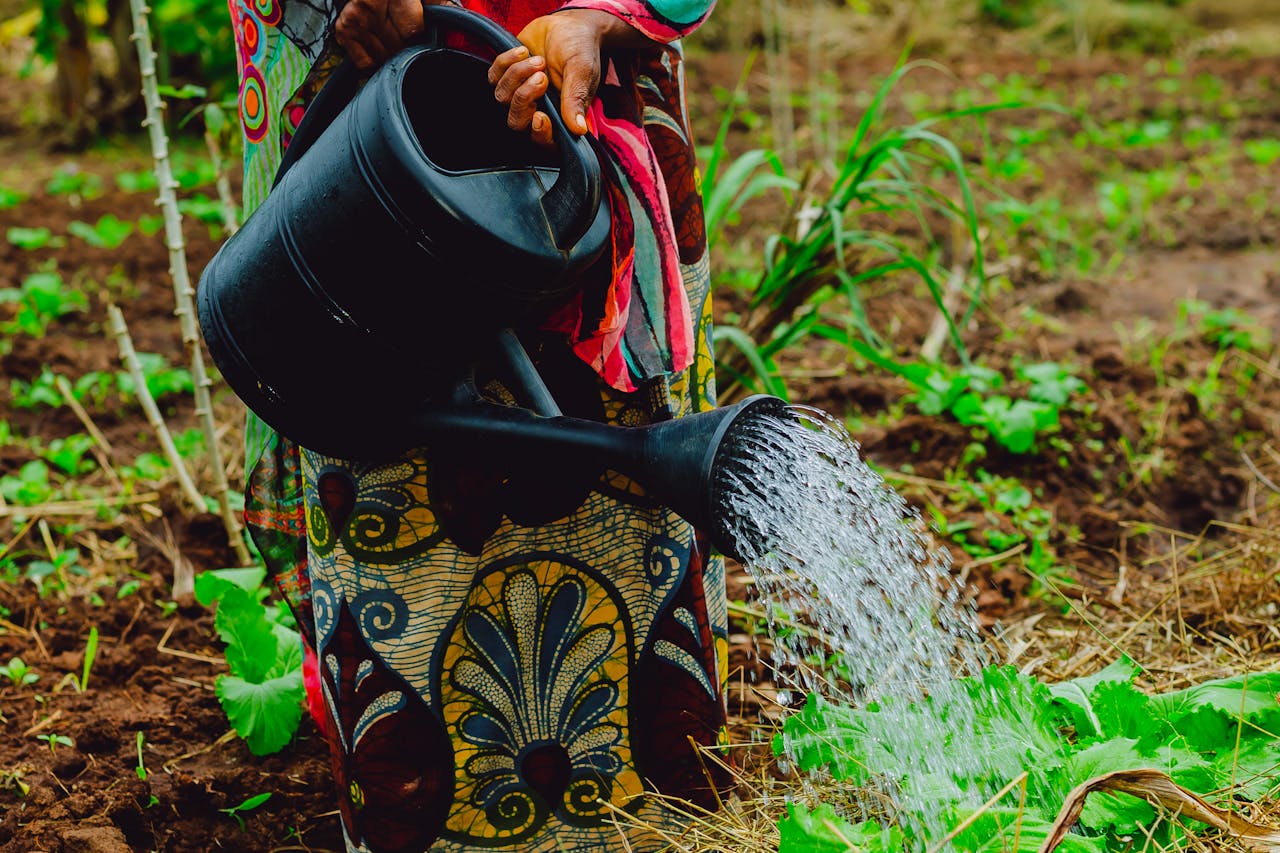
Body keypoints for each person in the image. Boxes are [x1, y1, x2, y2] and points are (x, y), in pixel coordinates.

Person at [229, 0, 727, 849]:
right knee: (380, 413)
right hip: (369, 126)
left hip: (586, 96)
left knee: (634, 518)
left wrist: (609, 17)